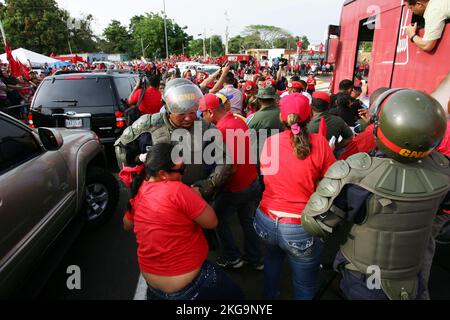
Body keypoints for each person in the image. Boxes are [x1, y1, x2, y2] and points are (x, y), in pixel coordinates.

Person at [303, 89, 450, 300]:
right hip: (411, 273)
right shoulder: (444, 170)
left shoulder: (356, 174)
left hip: (365, 276)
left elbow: (314, 224)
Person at [122, 143, 244, 300]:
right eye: (180, 169)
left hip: (152, 283)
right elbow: (212, 222)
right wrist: (197, 196)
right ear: (163, 174)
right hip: (189, 284)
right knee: (236, 296)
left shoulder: (140, 191)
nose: (183, 172)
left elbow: (126, 224)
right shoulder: (179, 191)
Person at [254, 93, 336, 300]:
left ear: (282, 118)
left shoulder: (270, 142)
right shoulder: (320, 143)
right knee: (305, 283)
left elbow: (267, 176)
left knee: (272, 263)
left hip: (266, 220)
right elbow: (333, 182)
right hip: (300, 225)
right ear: (311, 117)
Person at [115, 78, 233, 202]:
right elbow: (122, 146)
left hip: (193, 195)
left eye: (192, 112)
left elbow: (225, 158)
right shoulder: (148, 125)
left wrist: (210, 183)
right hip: (155, 197)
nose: (188, 118)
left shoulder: (206, 128)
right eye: (181, 113)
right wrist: (134, 179)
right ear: (167, 108)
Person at [199, 94, 263, 270]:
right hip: (251, 179)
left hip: (237, 185)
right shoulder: (238, 119)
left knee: (216, 218)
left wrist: (213, 187)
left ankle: (232, 258)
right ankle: (255, 259)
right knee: (248, 220)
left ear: (210, 112)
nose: (202, 117)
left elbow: (230, 167)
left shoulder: (222, 130)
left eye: (202, 113)